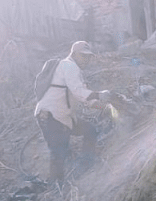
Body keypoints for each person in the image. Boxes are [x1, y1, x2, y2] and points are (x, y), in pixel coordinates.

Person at [33, 40, 111, 183]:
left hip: (61, 117)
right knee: (58, 154)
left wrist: (104, 107)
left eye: (88, 57)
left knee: (90, 130)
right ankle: (56, 191)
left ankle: (85, 166)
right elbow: (80, 92)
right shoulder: (69, 66)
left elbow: (85, 99)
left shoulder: (71, 69)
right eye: (83, 56)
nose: (86, 59)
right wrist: (100, 95)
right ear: (74, 53)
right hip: (52, 117)